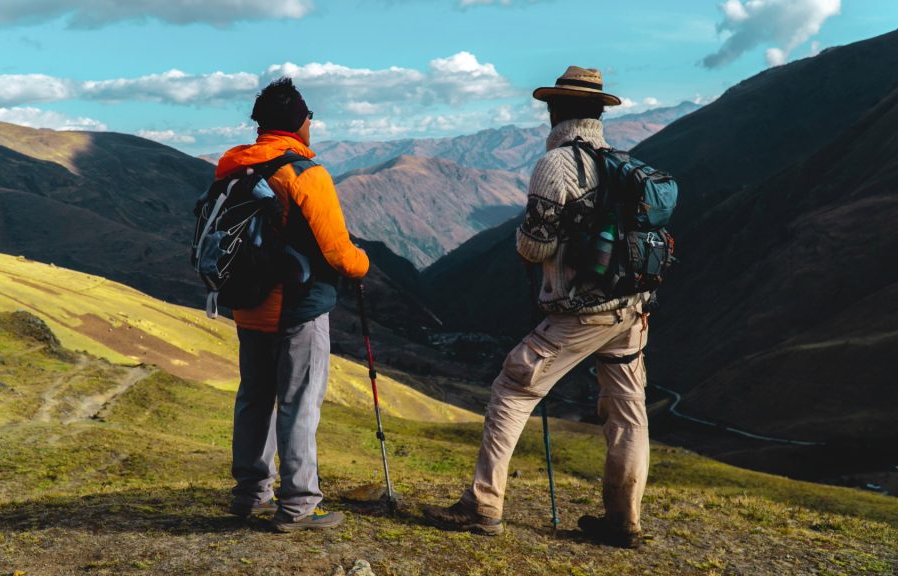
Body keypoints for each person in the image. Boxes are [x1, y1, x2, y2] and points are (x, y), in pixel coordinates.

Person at [425, 66, 652, 548]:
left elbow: (534, 247)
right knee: (628, 412)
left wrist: (526, 237)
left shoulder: (557, 165)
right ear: (597, 112)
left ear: (556, 111)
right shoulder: (619, 162)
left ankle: (482, 504)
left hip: (581, 310)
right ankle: (623, 521)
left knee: (512, 386)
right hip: (630, 309)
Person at [218, 77, 369, 532]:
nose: (311, 125)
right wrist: (363, 263)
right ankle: (300, 504)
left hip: (248, 305)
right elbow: (338, 253)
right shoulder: (305, 174)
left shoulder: (233, 169)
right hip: (297, 308)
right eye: (309, 118)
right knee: (299, 404)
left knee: (254, 399)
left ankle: (250, 493)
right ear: (300, 123)